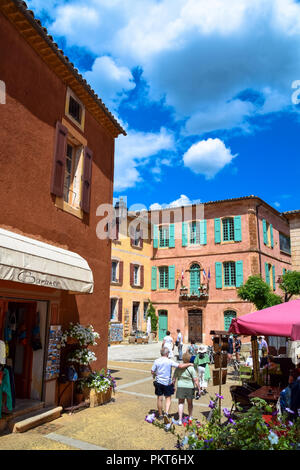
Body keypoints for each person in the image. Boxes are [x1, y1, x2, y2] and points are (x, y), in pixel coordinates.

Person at [151, 347, 193, 422]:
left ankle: (160, 415)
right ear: (167, 353)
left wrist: (156, 374)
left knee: (159, 399)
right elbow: (180, 366)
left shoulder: (156, 361)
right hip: (167, 382)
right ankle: (166, 413)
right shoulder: (169, 361)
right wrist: (189, 364)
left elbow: (152, 371)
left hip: (159, 382)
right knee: (168, 398)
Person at [172, 352, 200, 425]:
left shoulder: (178, 368)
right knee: (190, 403)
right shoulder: (191, 368)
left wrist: (173, 386)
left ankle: (180, 419)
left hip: (180, 386)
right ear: (189, 359)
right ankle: (190, 417)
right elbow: (195, 380)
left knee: (180, 403)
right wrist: (199, 389)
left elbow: (174, 378)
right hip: (189, 387)